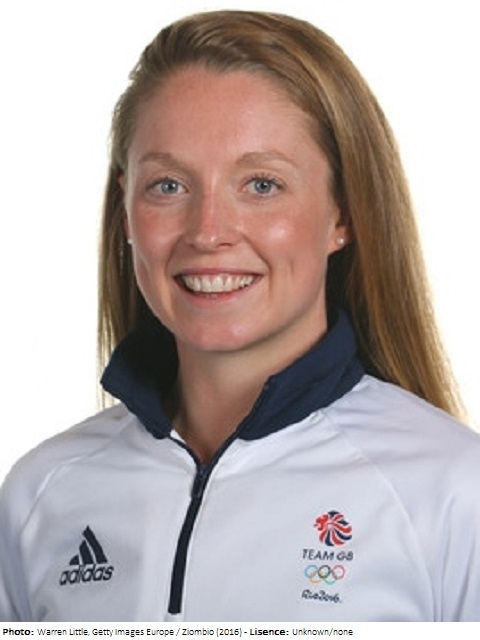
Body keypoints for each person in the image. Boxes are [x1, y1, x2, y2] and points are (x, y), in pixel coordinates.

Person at [1, 10, 479, 623]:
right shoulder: (40, 495)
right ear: (125, 210)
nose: (208, 233)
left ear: (343, 213)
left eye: (261, 184)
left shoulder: (453, 494)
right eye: (168, 185)